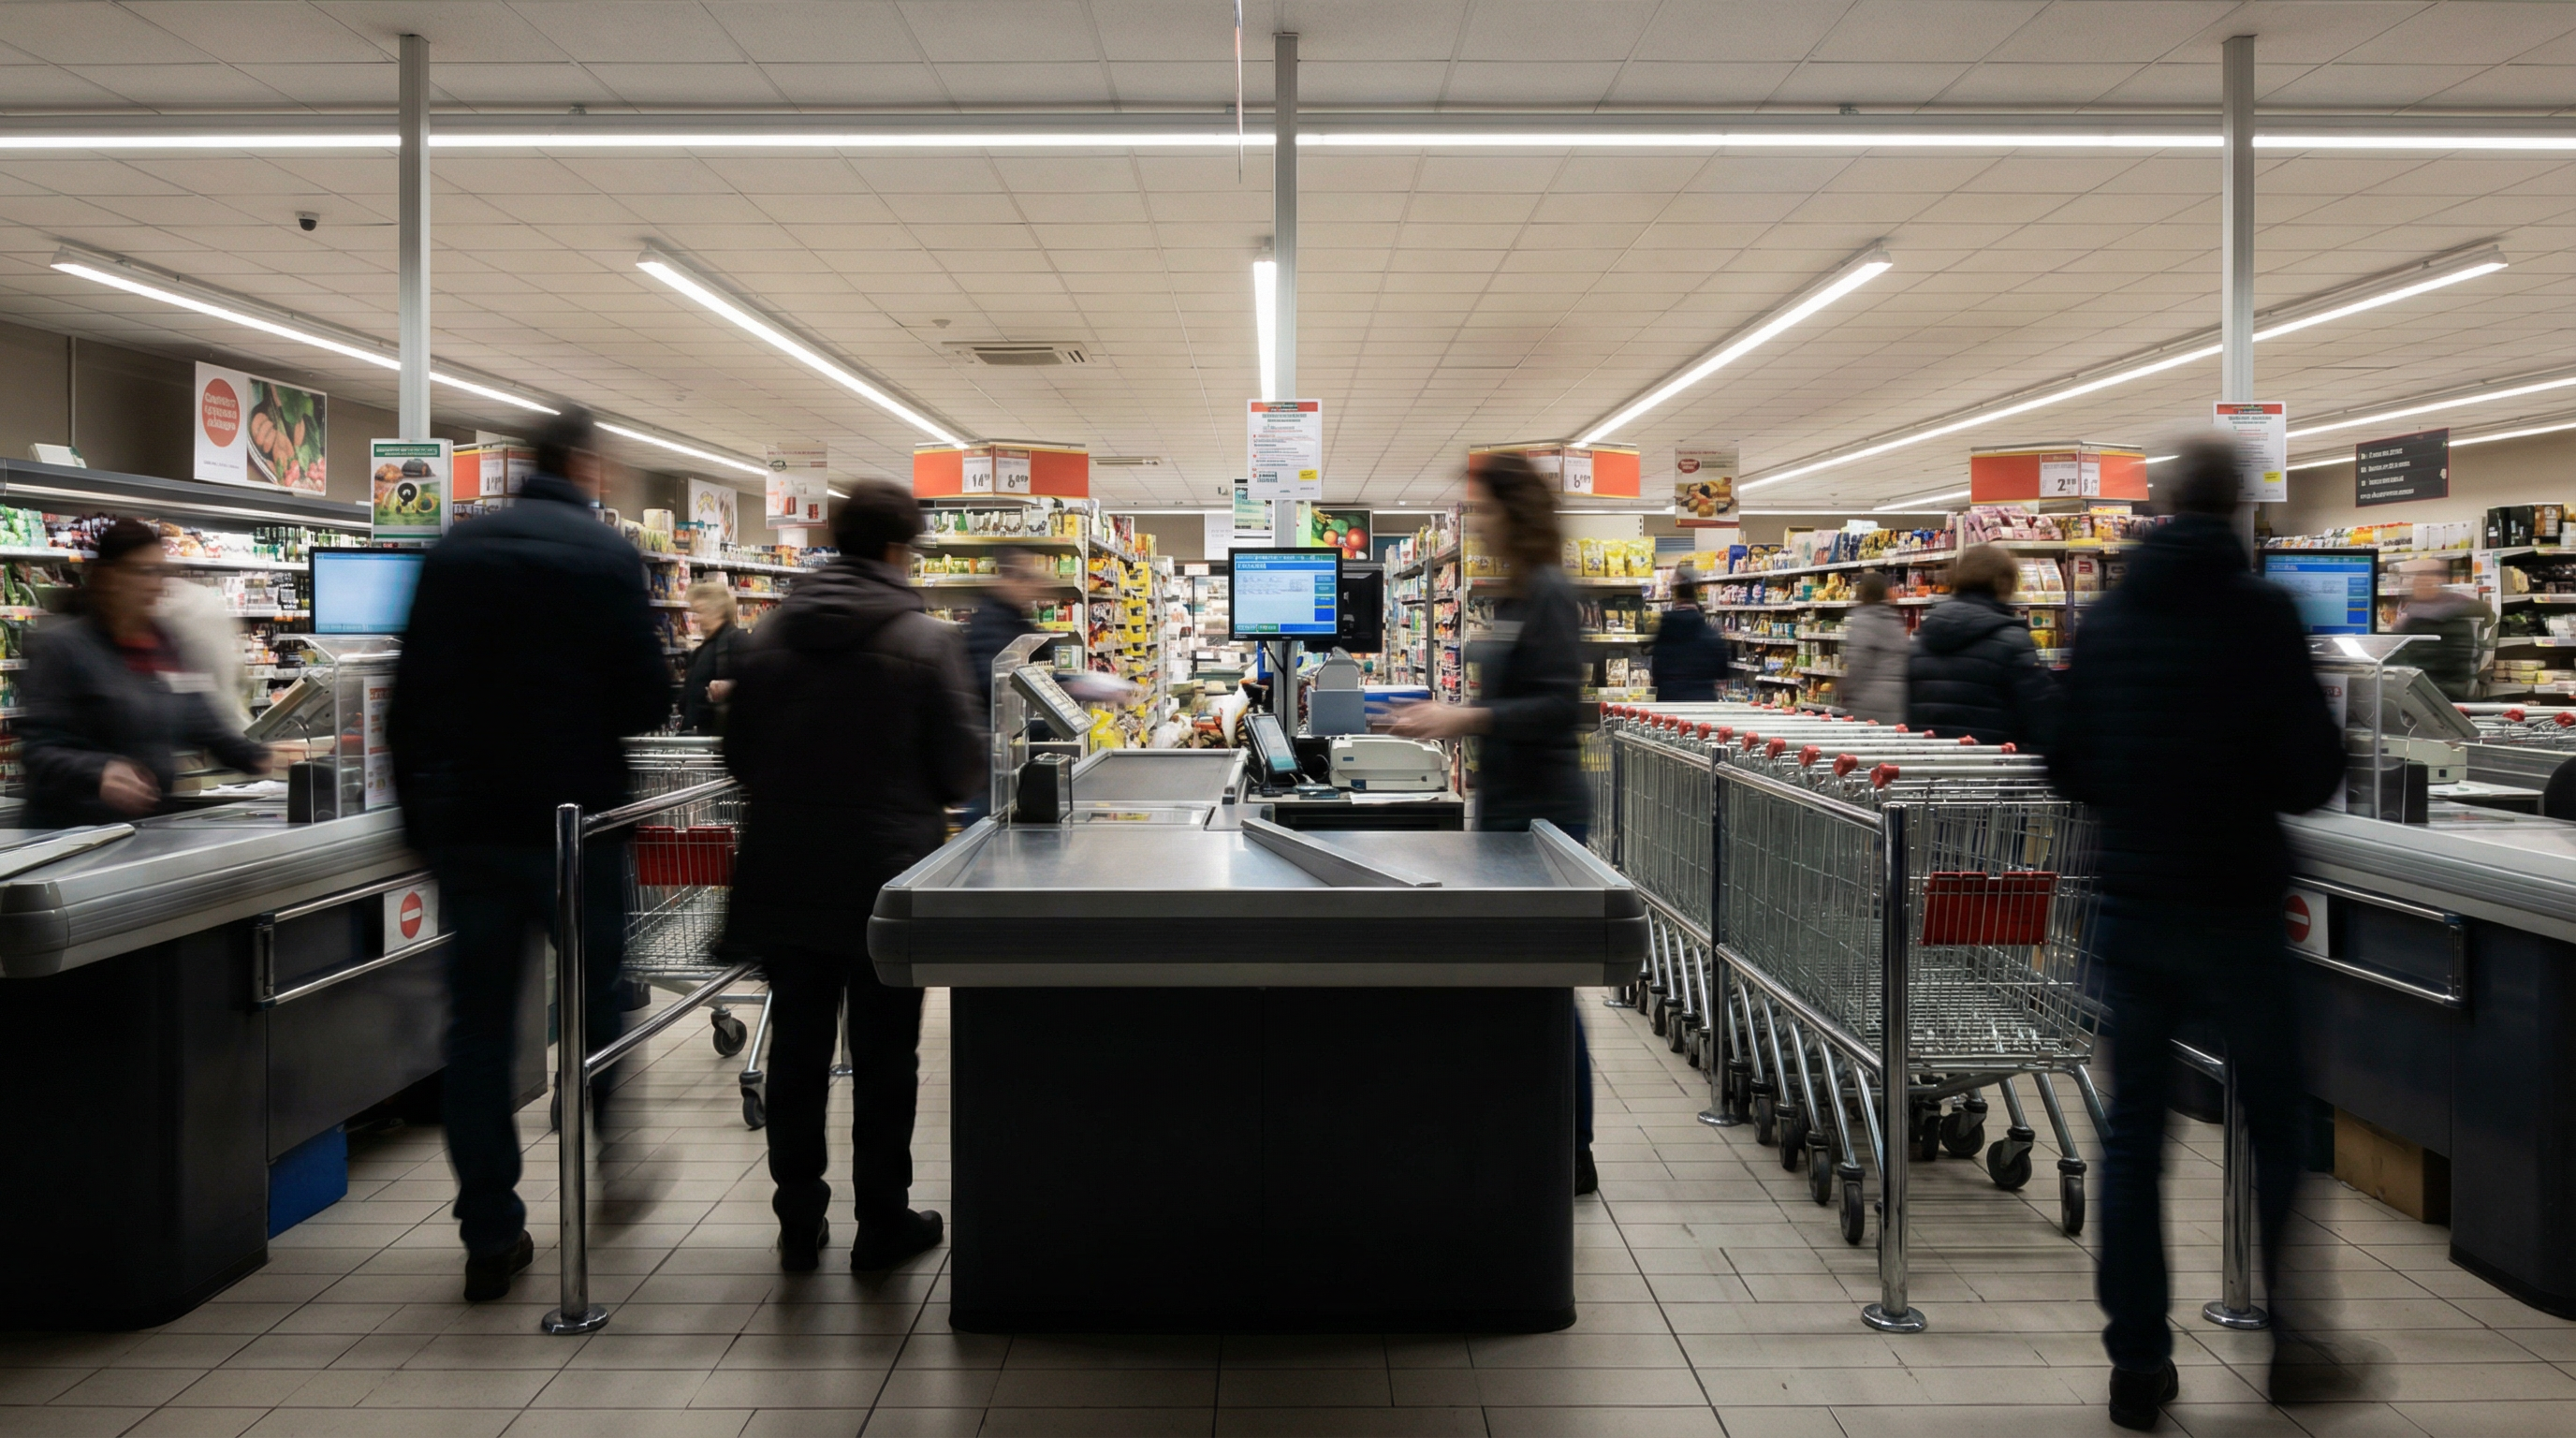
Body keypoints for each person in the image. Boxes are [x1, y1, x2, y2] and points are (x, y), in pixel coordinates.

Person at [2049, 434, 2356, 1428]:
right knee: (2278, 1125)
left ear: (2157, 508)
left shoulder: (2107, 617)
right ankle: (2295, 1339)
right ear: (2238, 511)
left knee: (2135, 1136)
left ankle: (2137, 1363)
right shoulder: (2264, 614)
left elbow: (2066, 762)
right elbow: (2311, 772)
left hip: (2132, 906)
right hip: (2236, 905)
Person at [388, 408, 671, 1302]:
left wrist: (419, 824)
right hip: (575, 824)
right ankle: (606, 1151)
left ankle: (490, 1232)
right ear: (585, 465)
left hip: (469, 825)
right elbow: (645, 696)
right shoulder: (605, 556)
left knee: (476, 1028)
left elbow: (409, 698)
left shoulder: (453, 554)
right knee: (598, 998)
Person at [724, 481, 979, 1273]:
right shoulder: (928, 643)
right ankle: (882, 1225)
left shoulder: (767, 635)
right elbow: (960, 768)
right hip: (883, 883)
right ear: (904, 550)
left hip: (786, 873)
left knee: (798, 1052)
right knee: (885, 1058)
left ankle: (799, 1222)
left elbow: (739, 758)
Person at [1388, 452, 1599, 1195]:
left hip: (1544, 813)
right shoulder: (1513, 593)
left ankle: (1573, 1147)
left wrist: (1461, 715)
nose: (1474, 522)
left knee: (1545, 981)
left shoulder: (1546, 593)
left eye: (1482, 509)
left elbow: (1558, 708)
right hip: (1510, 804)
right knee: (1527, 978)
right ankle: (1542, 1130)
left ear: (1515, 512)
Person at [22, 519, 275, 828]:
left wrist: (259, 756)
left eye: (162, 572)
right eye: (146, 572)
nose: (158, 584)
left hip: (147, 831)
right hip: (76, 835)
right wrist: (99, 771)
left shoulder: (164, 644)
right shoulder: (64, 648)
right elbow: (39, 751)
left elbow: (200, 719)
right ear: (110, 576)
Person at [1908, 543, 2058, 750]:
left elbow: (1910, 712)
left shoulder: (1923, 637)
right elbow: (2041, 717)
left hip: (1929, 769)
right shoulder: (2012, 640)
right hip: (1992, 771)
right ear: (2004, 583)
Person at [2393, 560, 2492, 700]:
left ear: (2437, 583)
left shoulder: (2438, 619)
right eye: (2418, 581)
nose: (2419, 586)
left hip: (2439, 692)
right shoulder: (2452, 610)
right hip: (2439, 688)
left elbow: (2434, 664)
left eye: (2424, 581)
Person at [1837, 570, 1909, 726]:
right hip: (1896, 703)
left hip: (1868, 703)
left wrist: (1845, 690)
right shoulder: (1895, 620)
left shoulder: (1863, 619)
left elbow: (1857, 662)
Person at [1647, 565, 1725, 702]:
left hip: (1670, 702)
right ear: (1695, 593)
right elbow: (1722, 671)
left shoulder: (1665, 631)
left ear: (1675, 594)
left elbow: (1656, 669)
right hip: (1703, 703)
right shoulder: (1710, 634)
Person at [681, 577, 748, 734]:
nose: (695, 619)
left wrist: (730, 686)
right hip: (697, 740)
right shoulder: (704, 649)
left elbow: (760, 684)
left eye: (699, 611)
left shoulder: (736, 642)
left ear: (716, 610)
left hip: (717, 742)